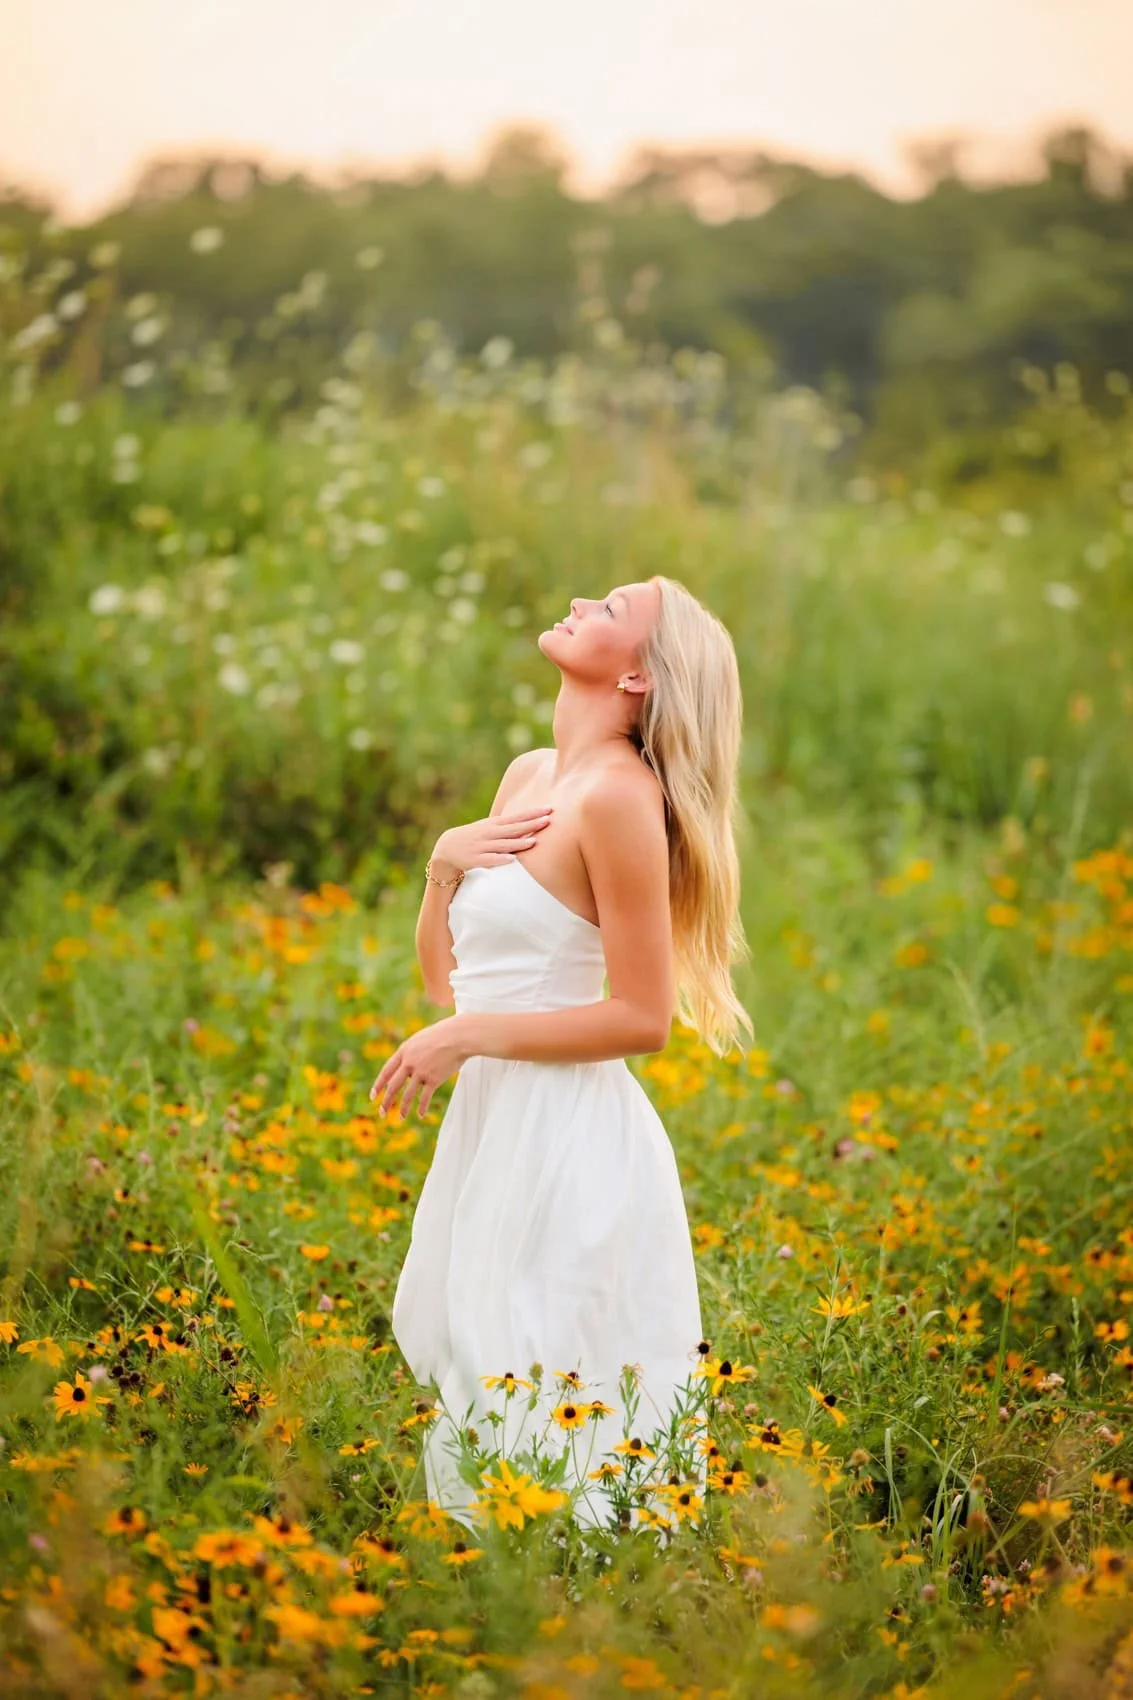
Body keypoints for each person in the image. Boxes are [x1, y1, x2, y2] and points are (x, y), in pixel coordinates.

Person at [371, 575, 753, 1532]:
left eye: (613, 610)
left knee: (542, 1371)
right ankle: (491, 1597)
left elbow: (641, 1018)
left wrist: (467, 1037)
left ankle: (582, 1606)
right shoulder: (530, 775)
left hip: (572, 1133)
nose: (583, 603)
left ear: (634, 676)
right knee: (476, 1357)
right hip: (495, 1121)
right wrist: (442, 864)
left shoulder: (622, 802)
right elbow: (444, 985)